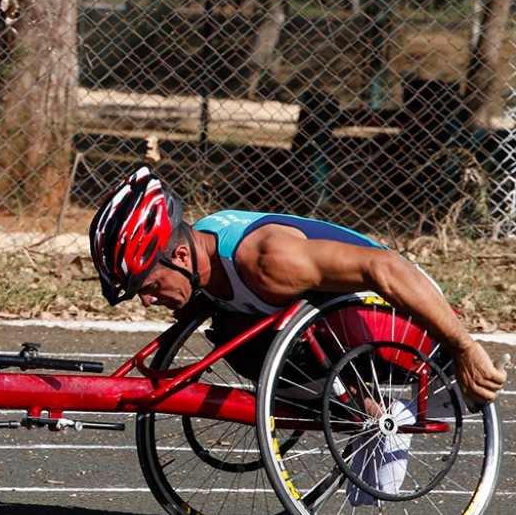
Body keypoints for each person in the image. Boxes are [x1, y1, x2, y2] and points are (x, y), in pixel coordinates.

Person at [89, 166, 507, 407]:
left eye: (146, 284)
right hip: (339, 333)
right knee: (233, 332)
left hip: (400, 319)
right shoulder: (200, 256)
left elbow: (386, 267)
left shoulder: (269, 260)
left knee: (245, 334)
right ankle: (361, 412)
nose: (145, 300)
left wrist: (463, 346)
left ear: (179, 257)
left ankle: (379, 417)